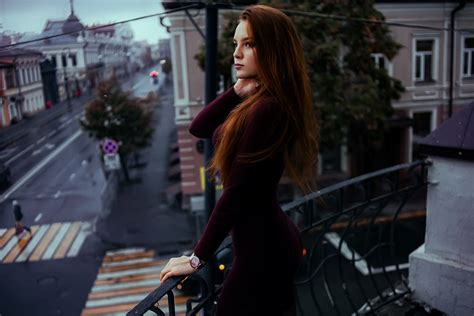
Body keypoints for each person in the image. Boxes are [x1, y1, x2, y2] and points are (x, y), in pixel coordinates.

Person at [159, 4, 319, 315]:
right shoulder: (259, 100)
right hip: (260, 243)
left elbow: (237, 193)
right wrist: (235, 90)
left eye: (249, 44)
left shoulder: (268, 108)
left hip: (264, 249)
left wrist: (196, 258)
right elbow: (199, 127)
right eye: (236, 44)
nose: (237, 54)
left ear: (272, 49)